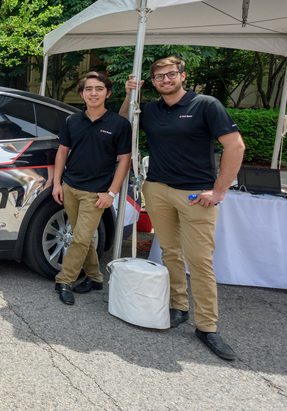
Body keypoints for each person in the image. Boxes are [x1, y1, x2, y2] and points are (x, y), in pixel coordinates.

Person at [120, 56, 245, 361]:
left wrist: (218, 191)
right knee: (170, 253)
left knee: (199, 260)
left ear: (183, 76)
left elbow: (236, 146)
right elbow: (123, 125)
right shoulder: (149, 109)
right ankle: (179, 307)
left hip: (195, 195)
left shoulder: (205, 105)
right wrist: (129, 95)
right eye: (159, 76)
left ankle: (207, 327)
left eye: (171, 74)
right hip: (158, 189)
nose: (165, 79)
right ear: (153, 81)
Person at [52, 71, 132, 305]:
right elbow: (62, 152)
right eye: (88, 89)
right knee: (82, 238)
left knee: (79, 239)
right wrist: (58, 183)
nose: (93, 93)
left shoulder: (119, 124)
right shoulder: (72, 121)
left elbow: (124, 160)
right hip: (70, 187)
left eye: (98, 89)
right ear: (82, 93)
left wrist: (111, 193)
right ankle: (96, 278)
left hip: (96, 193)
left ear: (107, 93)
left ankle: (64, 280)